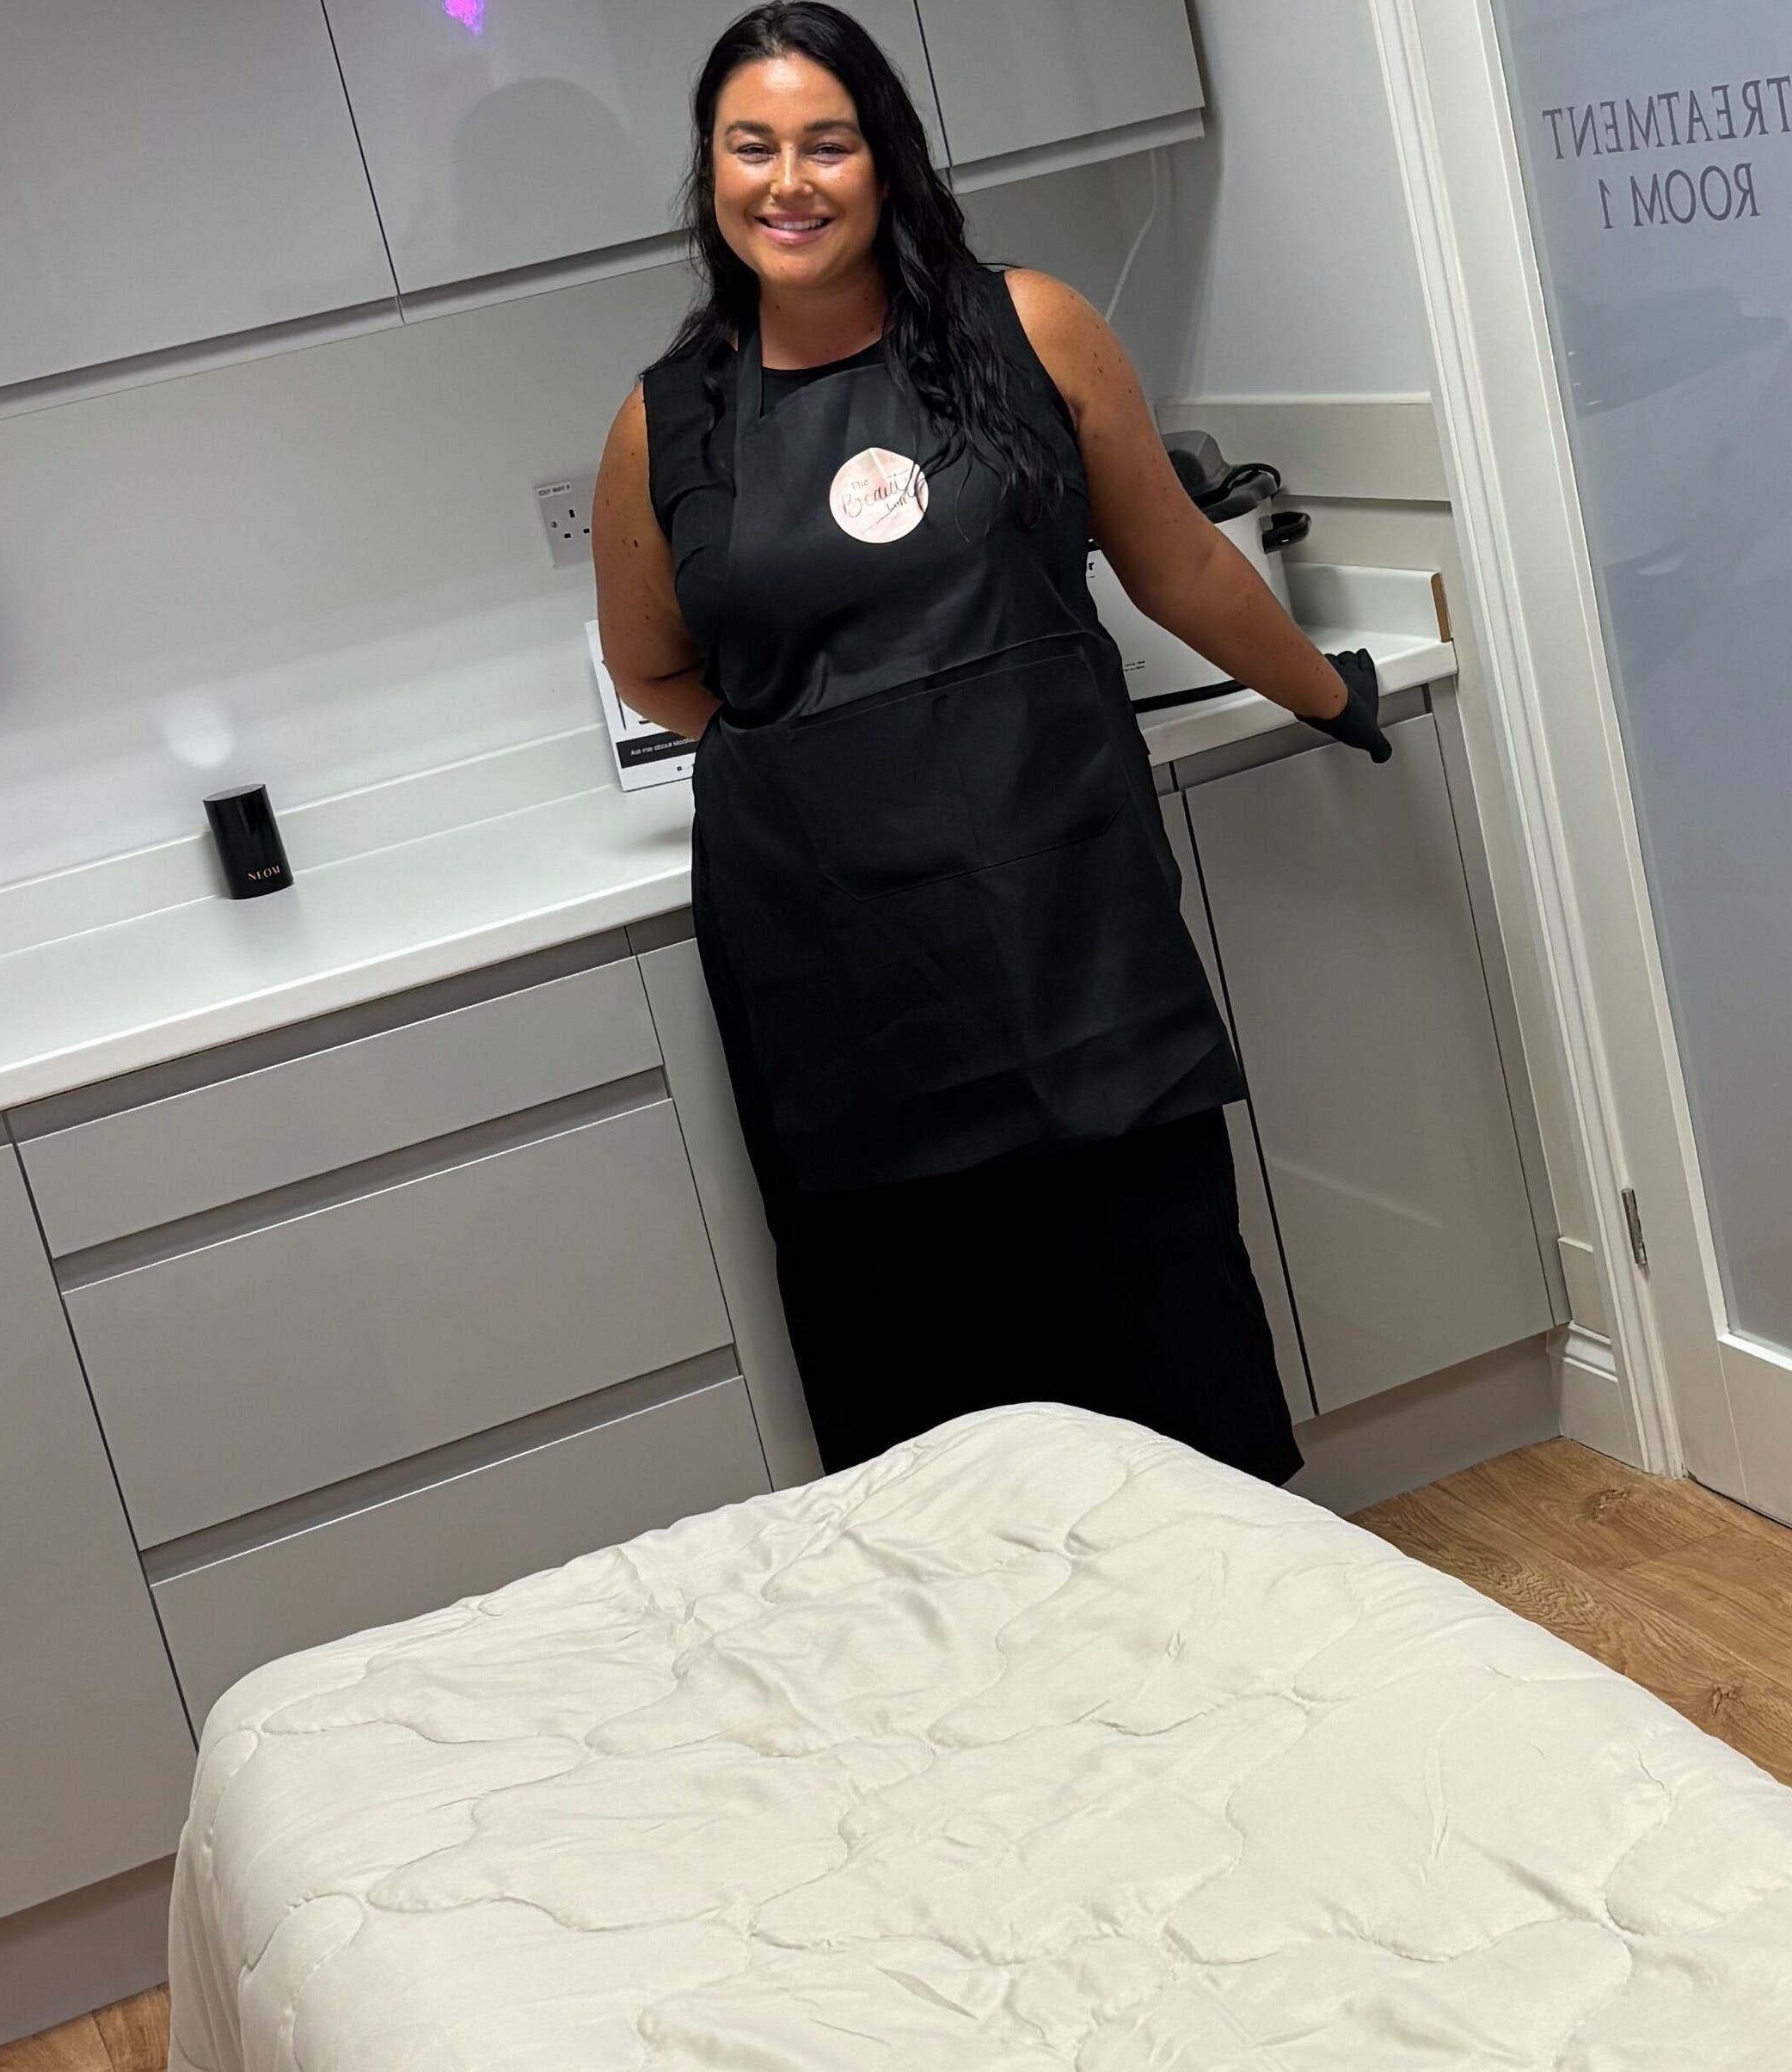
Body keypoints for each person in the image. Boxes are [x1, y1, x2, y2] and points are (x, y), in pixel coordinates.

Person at [591, 2, 1391, 1484]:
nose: (788, 181)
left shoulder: (1029, 327)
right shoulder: (663, 427)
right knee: (927, 1393)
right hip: (838, 976)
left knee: (1160, 1334)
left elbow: (1179, 563)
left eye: (824, 142)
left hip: (1065, 925)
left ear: (881, 156)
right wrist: (824, 759)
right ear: (709, 177)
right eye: (749, 147)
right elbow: (650, 666)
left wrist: (1327, 694)